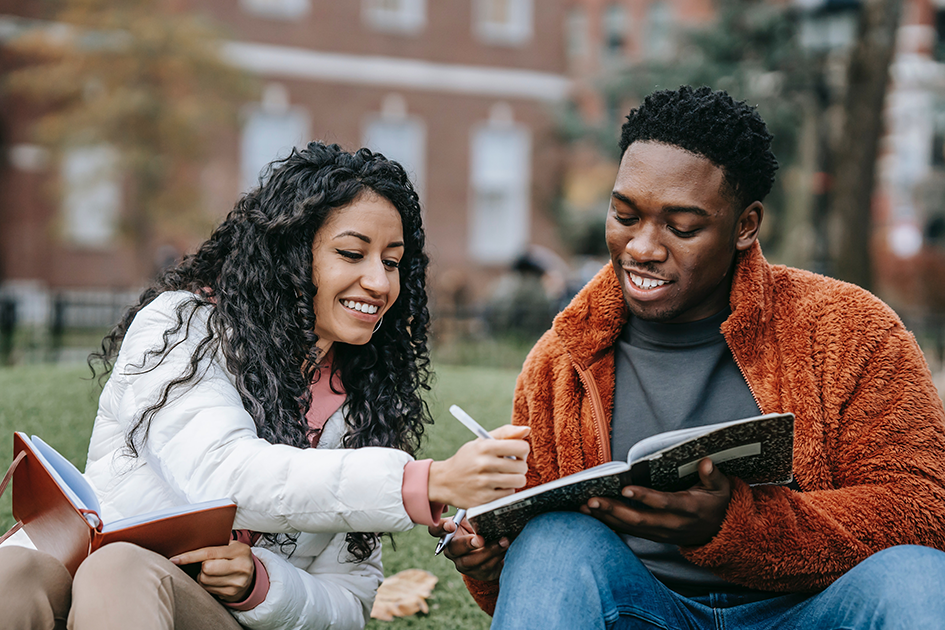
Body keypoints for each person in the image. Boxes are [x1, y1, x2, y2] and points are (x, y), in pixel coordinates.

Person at [432, 86, 945, 629]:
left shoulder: (849, 330)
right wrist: (488, 557)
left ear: (745, 226)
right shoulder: (563, 358)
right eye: (624, 215)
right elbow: (543, 578)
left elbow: (923, 510)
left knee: (917, 577)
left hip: (811, 611)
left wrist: (737, 526)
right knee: (554, 541)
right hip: (643, 610)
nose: (643, 248)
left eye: (682, 227)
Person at [0, 142, 529, 630]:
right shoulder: (184, 327)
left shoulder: (366, 398)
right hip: (87, 578)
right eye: (352, 254)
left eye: (392, 261)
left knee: (119, 570)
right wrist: (422, 483)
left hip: (203, 613)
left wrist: (260, 583)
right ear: (290, 254)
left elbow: (348, 601)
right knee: (14, 573)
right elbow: (224, 472)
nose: (380, 281)